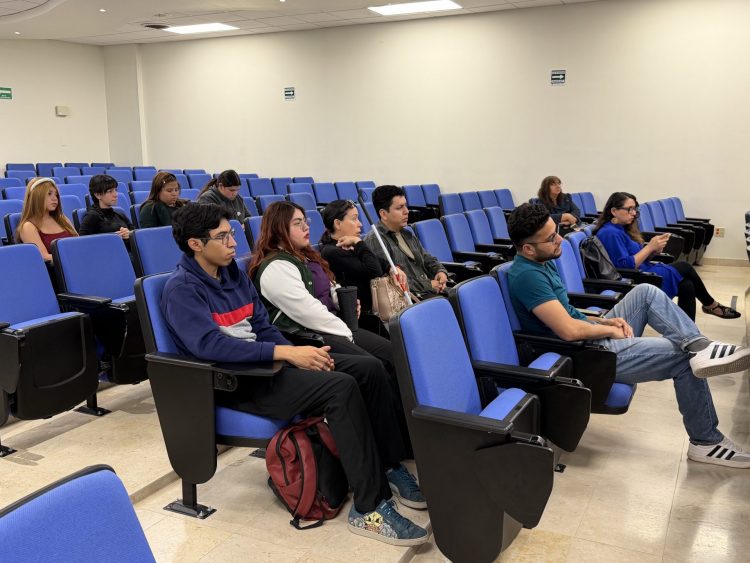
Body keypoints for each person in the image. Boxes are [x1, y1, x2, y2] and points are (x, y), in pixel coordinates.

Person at [161, 203, 428, 546]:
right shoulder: (182, 289)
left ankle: (388, 464)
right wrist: (286, 354)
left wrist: (296, 355)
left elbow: (262, 327)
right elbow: (209, 346)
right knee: (340, 388)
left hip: (267, 365)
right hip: (235, 381)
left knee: (368, 368)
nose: (233, 243)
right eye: (222, 237)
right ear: (196, 244)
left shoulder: (232, 274)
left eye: (231, 234)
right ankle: (369, 507)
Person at [506, 203, 750, 468]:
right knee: (683, 358)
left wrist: (603, 320)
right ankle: (705, 441)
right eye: (551, 238)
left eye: (557, 232)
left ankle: (699, 345)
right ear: (528, 248)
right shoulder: (528, 276)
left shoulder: (542, 261)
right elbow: (569, 330)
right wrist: (609, 329)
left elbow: (568, 313)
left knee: (645, 292)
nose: (560, 240)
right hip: (581, 355)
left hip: (588, 339)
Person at [248, 201, 424, 504]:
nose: (306, 227)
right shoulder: (275, 267)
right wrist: (347, 332)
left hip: (334, 327)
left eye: (305, 221)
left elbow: (327, 290)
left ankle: (403, 442)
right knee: (372, 367)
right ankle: (389, 461)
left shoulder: (305, 256)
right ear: (278, 229)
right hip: (309, 337)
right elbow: (308, 312)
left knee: (395, 354)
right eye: (297, 223)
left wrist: (344, 300)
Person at [594, 192, 739, 320]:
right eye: (629, 209)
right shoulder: (610, 233)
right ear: (614, 211)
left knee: (687, 286)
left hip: (643, 271)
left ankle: (688, 333)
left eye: (635, 209)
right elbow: (625, 266)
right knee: (685, 267)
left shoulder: (622, 229)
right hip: (633, 279)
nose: (633, 213)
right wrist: (649, 247)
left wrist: (653, 252)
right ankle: (711, 305)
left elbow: (637, 258)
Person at [320, 199, 407, 312]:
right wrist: (358, 242)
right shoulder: (332, 252)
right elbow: (375, 271)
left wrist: (390, 267)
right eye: (354, 219)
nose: (360, 224)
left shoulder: (348, 244)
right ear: (338, 224)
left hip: (376, 310)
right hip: (362, 315)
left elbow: (376, 260)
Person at [364, 185, 448, 296]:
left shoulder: (407, 233)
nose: (406, 211)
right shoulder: (376, 240)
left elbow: (427, 258)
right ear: (383, 214)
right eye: (399, 208)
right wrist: (428, 285)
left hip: (429, 292)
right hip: (412, 299)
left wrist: (440, 271)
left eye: (406, 206)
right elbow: (390, 282)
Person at [15, 177, 77, 261]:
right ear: (37, 197)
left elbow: (79, 244)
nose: (55, 198)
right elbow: (44, 257)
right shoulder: (28, 226)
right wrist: (73, 257)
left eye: (56, 195)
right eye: (49, 194)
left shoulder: (63, 219)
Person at [79, 174, 133, 242]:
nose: (115, 194)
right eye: (110, 191)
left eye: (115, 190)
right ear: (98, 195)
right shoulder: (91, 216)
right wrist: (109, 238)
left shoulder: (120, 213)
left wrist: (129, 234)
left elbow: (134, 233)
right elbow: (82, 242)